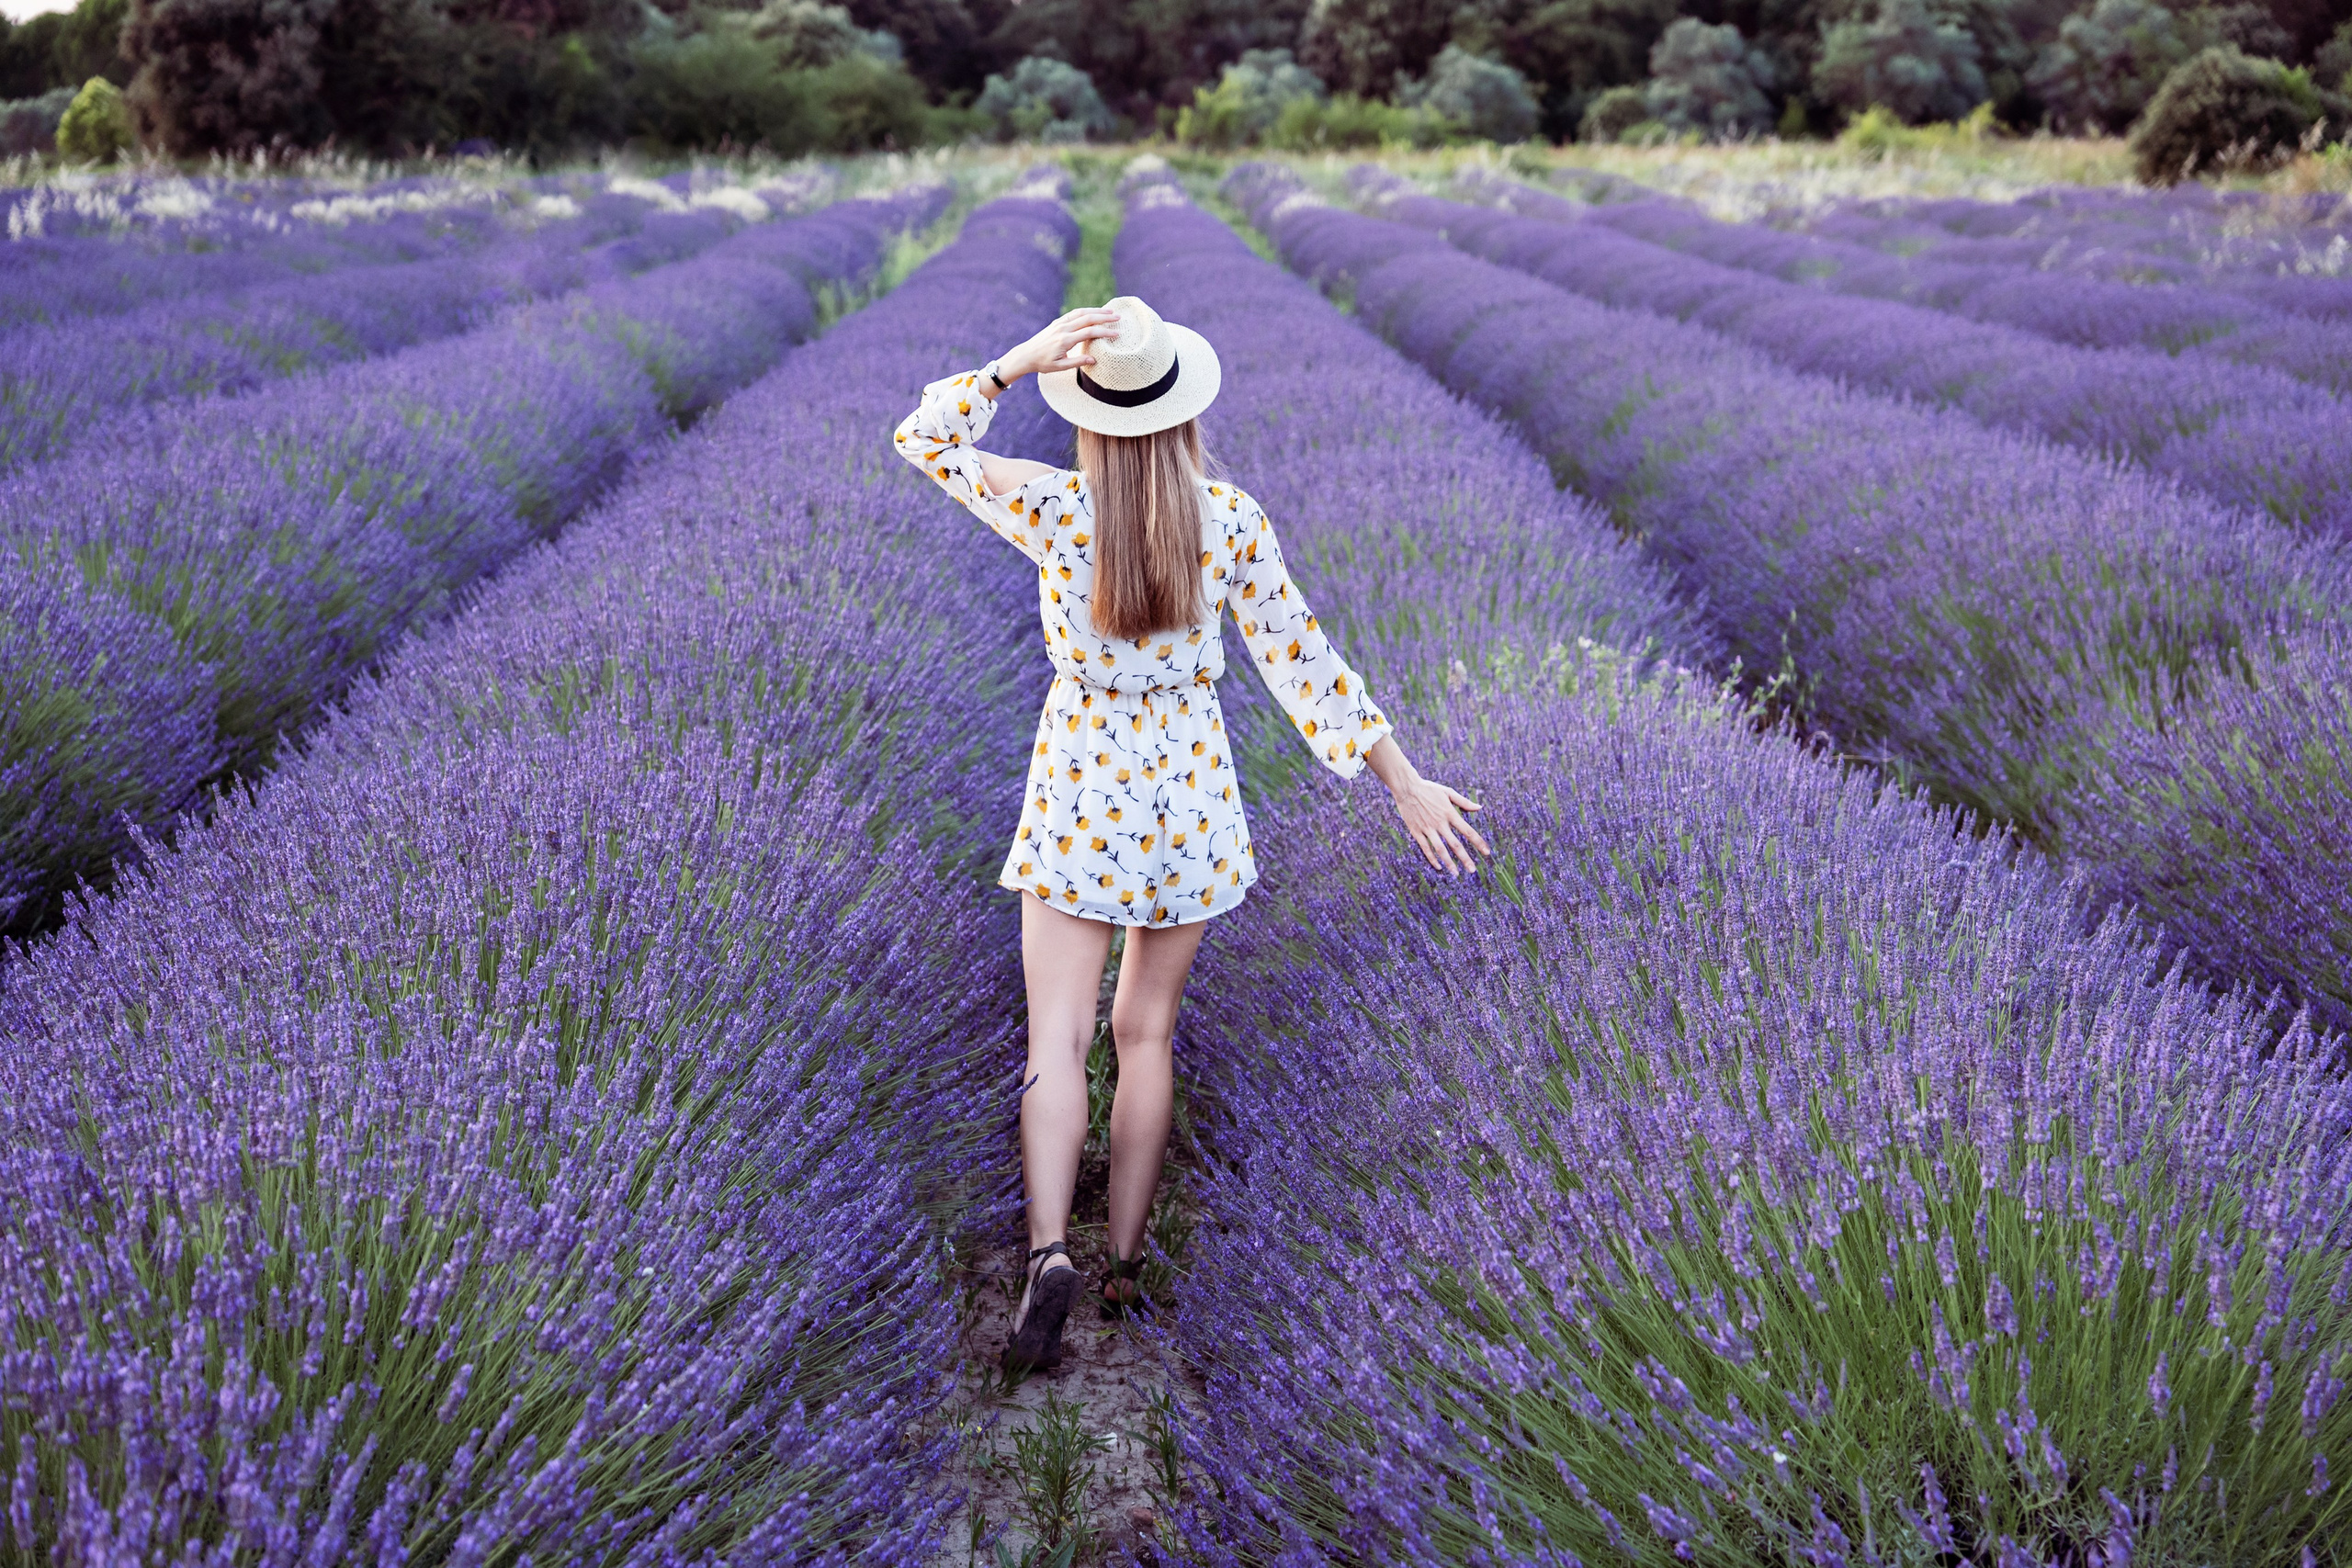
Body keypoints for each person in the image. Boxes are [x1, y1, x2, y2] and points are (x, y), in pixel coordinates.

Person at [894, 298, 1489, 1372]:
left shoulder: (1057, 509)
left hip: (1081, 786)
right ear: (1179, 413)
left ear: (1091, 419)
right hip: (1191, 798)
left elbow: (922, 440)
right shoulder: (1230, 519)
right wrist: (1401, 779)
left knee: (1057, 1042)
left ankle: (1045, 1258)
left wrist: (1015, 365)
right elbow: (1301, 657)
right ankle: (1122, 1264)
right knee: (1147, 1036)